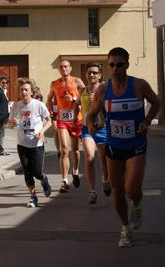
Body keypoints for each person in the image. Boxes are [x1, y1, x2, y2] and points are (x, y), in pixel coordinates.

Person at [87, 47, 160, 248]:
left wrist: (147, 120)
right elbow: (91, 114)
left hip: (136, 143)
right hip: (113, 145)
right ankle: (125, 229)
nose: (115, 68)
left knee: (132, 189)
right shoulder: (103, 90)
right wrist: (91, 123)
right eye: (112, 65)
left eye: (120, 64)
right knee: (118, 191)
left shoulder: (139, 85)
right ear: (108, 67)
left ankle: (136, 204)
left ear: (127, 64)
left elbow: (156, 103)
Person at [8, 78, 52, 207]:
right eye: (21, 90)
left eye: (26, 90)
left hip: (36, 143)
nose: (24, 92)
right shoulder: (15, 106)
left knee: (37, 172)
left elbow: (49, 120)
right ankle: (33, 197)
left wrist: (42, 131)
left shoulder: (38, 105)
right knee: (27, 172)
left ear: (31, 92)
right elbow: (10, 125)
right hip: (22, 142)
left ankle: (43, 179)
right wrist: (13, 123)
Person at [73, 62, 110, 205]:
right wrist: (75, 117)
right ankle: (92, 191)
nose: (91, 75)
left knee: (103, 160)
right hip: (86, 128)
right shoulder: (82, 90)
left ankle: (105, 180)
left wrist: (98, 102)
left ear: (100, 75)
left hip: (102, 128)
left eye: (94, 72)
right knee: (89, 157)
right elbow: (76, 104)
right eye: (89, 72)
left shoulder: (104, 90)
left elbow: (110, 107)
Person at [47, 60, 85, 193]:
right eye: (61, 67)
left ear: (70, 68)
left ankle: (75, 171)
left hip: (76, 119)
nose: (63, 69)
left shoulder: (77, 82)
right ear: (58, 69)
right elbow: (50, 97)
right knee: (64, 150)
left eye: (66, 67)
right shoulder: (54, 84)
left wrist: (74, 100)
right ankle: (64, 181)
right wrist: (50, 107)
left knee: (75, 150)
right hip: (62, 120)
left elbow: (85, 97)